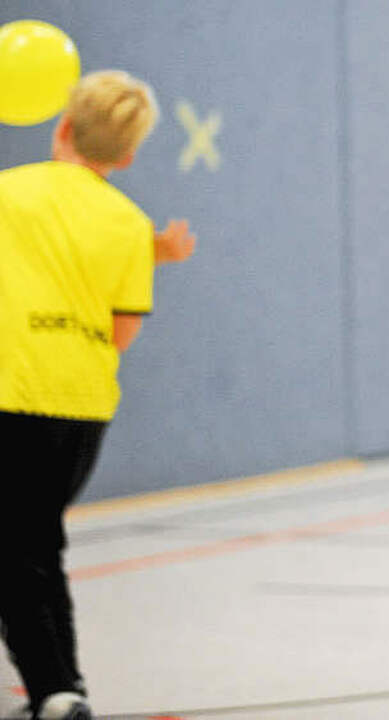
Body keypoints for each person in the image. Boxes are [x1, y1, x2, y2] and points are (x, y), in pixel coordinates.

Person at [0, 70, 196, 720]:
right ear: (128, 155)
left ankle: (55, 689)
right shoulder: (128, 223)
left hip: (11, 395)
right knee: (34, 543)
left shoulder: (8, 193)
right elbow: (120, 332)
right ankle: (64, 688)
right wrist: (153, 253)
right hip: (82, 410)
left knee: (20, 550)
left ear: (61, 127)